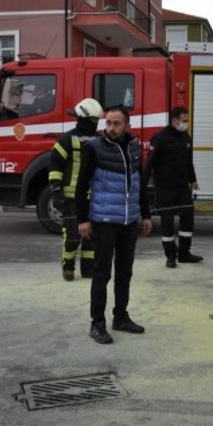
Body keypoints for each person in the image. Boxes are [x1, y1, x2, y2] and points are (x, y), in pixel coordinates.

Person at [76, 106, 153, 344]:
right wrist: (82, 219)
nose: (111, 128)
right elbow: (81, 185)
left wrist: (146, 215)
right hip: (104, 220)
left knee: (124, 272)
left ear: (127, 126)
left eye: (116, 124)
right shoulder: (94, 148)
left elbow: (139, 182)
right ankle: (97, 323)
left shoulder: (134, 147)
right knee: (101, 274)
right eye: (108, 123)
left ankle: (120, 317)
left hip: (129, 221)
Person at [48, 98, 102, 281]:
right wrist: (56, 191)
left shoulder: (100, 140)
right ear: (84, 118)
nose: (96, 123)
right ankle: (68, 267)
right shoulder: (66, 140)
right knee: (72, 235)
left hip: (94, 197)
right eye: (94, 120)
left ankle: (88, 269)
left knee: (92, 236)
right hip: (71, 198)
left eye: (97, 120)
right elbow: (55, 166)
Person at [143, 107, 202, 269]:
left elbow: (189, 162)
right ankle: (170, 256)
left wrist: (193, 180)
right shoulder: (160, 138)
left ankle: (184, 254)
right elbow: (150, 164)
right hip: (165, 188)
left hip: (183, 188)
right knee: (167, 223)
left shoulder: (186, 138)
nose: (186, 124)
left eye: (187, 121)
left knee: (188, 220)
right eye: (184, 120)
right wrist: (142, 184)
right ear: (174, 120)